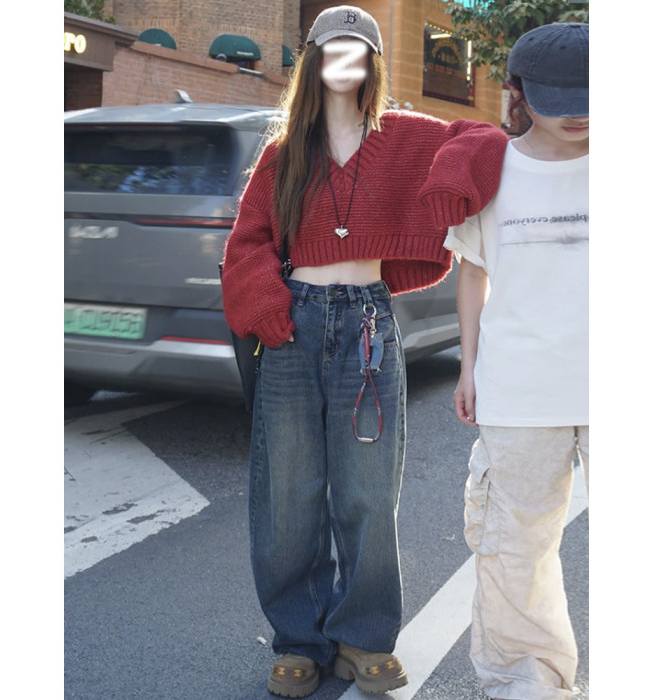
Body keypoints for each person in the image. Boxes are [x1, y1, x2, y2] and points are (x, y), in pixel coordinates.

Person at [221, 5, 508, 697]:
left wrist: (449, 181)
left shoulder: (405, 136)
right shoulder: (284, 153)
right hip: (292, 325)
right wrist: (267, 305)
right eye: (333, 49)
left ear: (373, 64)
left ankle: (364, 636)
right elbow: (246, 242)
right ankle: (299, 639)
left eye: (359, 50)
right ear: (314, 61)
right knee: (287, 496)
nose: (345, 60)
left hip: (369, 324)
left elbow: (485, 138)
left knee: (368, 493)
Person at [445, 23, 589, 700]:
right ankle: (526, 679)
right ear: (518, 92)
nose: (578, 113)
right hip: (520, 385)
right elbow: (472, 272)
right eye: (561, 99)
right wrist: (467, 366)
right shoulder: (488, 168)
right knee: (515, 547)